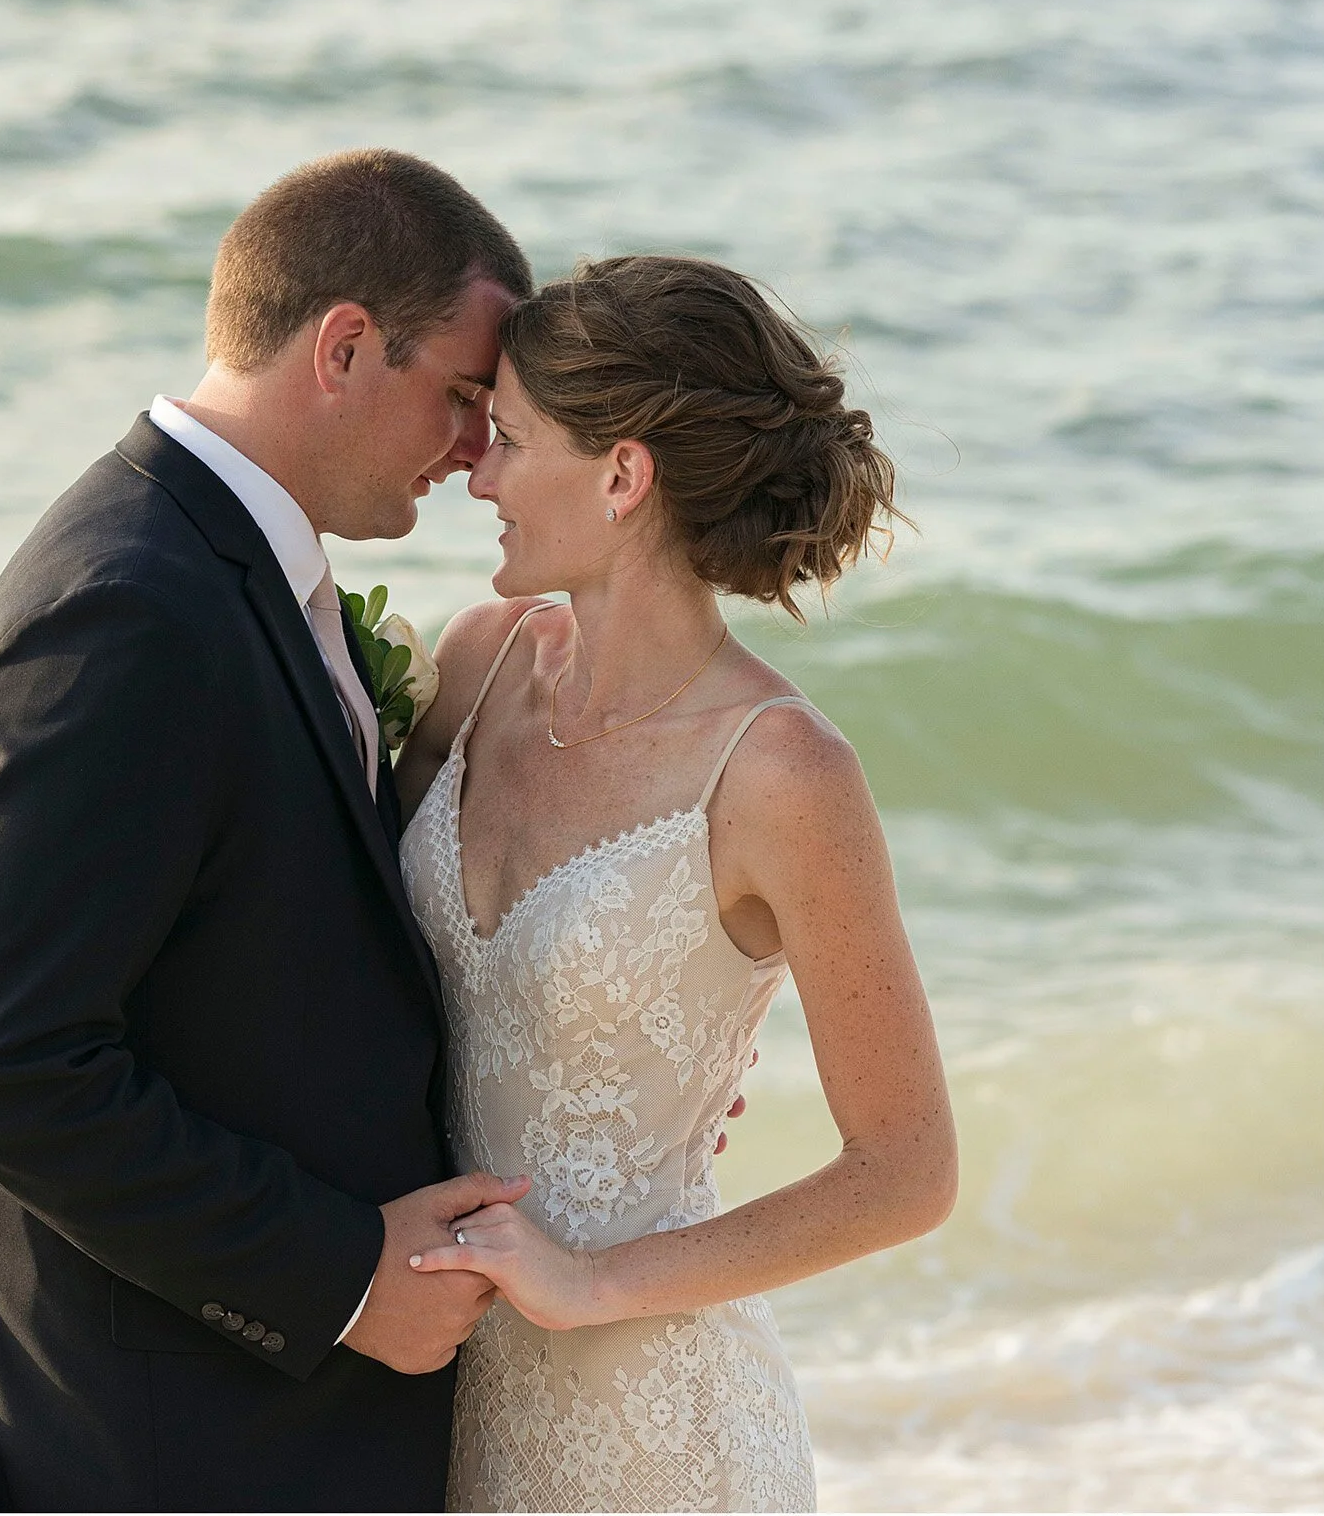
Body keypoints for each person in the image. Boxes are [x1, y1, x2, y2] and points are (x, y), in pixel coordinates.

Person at [0, 148, 543, 1512]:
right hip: (158, 1431)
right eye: (463, 396)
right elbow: (0, 1065)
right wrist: (343, 1275)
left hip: (250, 1416)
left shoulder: (240, 570)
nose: (475, 451)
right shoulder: (127, 608)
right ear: (344, 347)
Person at [392, 255, 959, 1512]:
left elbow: (906, 1168)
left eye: (510, 440)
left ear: (621, 475)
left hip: (661, 1432)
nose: (477, 474)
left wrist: (591, 1280)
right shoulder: (479, 665)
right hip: (444, 1402)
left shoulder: (779, 771)